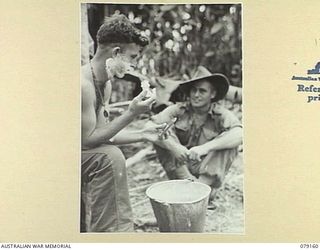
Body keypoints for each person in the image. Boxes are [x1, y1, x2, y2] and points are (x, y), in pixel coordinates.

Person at [81, 14, 164, 232]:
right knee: (110, 157)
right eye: (133, 57)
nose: (134, 65)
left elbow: (104, 134)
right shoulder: (84, 86)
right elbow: (88, 142)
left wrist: (144, 134)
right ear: (116, 52)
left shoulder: (104, 84)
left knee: (109, 153)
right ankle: (115, 235)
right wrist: (131, 114)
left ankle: (114, 232)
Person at [150, 66, 243, 203]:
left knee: (229, 141)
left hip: (203, 169)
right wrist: (173, 146)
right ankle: (195, 193)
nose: (196, 95)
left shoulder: (220, 114)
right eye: (194, 90)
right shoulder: (179, 110)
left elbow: (240, 134)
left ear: (212, 94)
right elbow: (150, 126)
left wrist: (204, 148)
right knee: (162, 132)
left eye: (202, 91)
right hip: (181, 170)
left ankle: (200, 190)